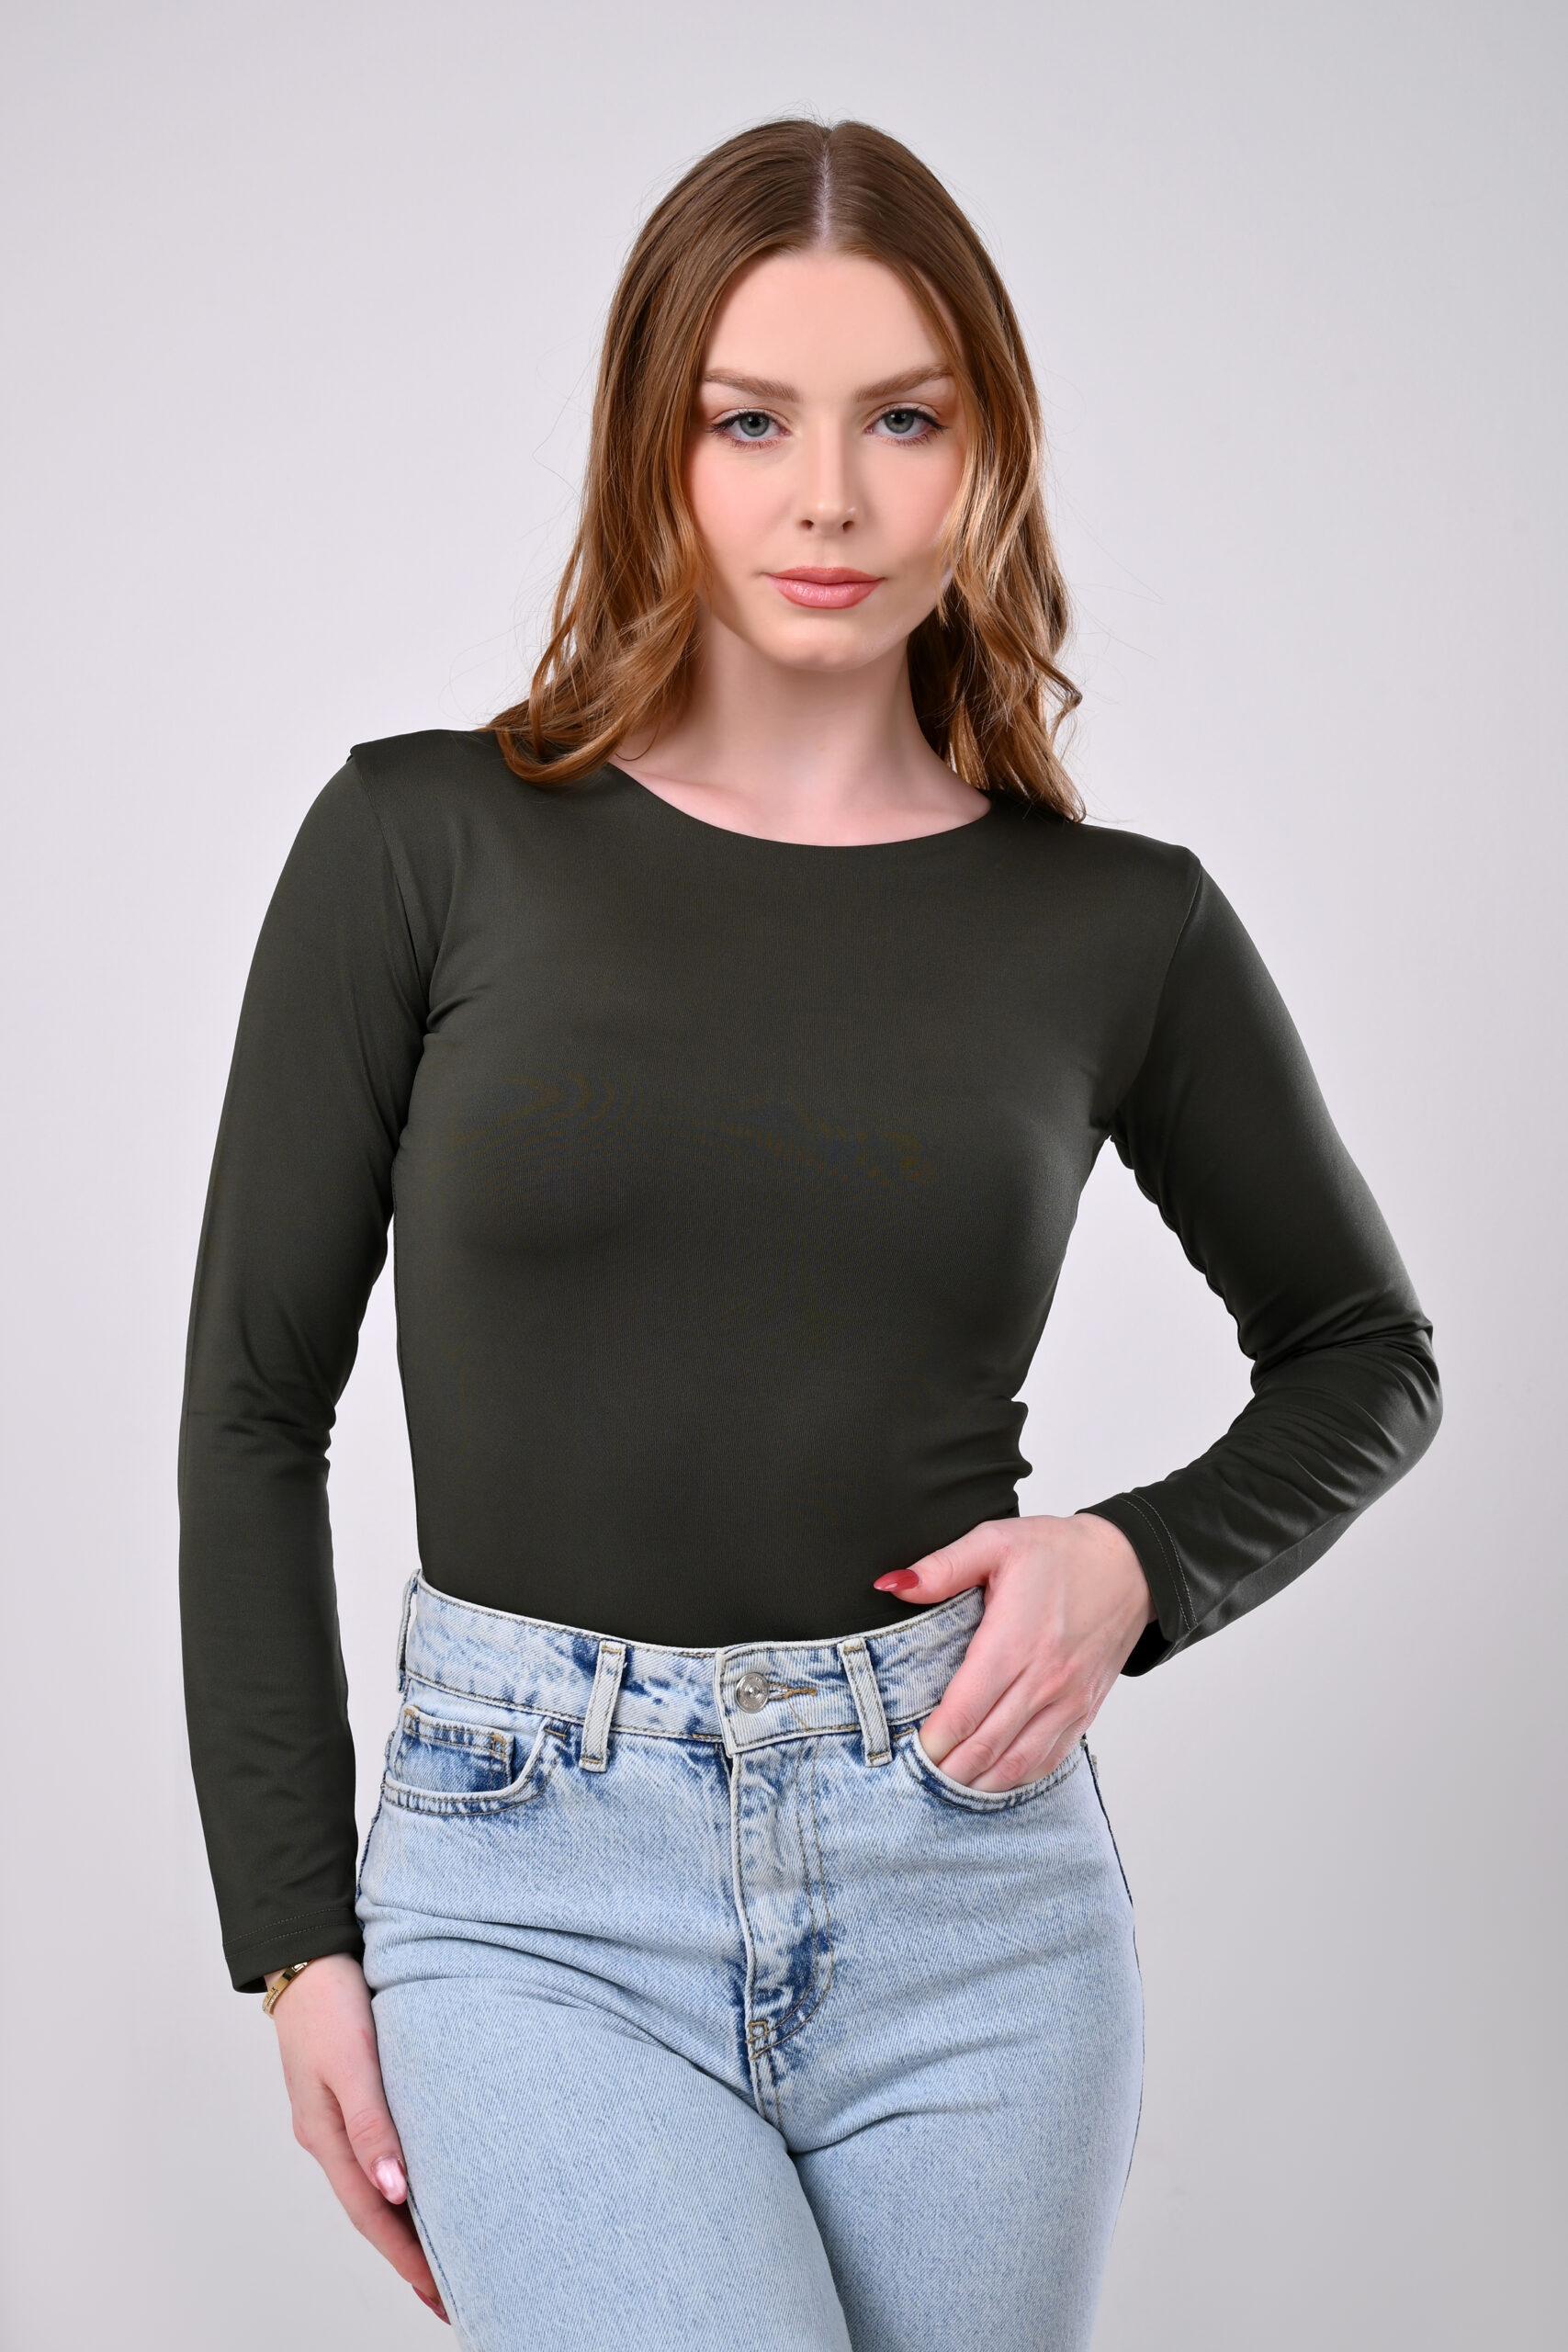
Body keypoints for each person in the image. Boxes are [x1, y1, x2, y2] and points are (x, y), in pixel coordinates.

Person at [178, 118, 1441, 2352]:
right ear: (650, 447)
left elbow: (1363, 1349)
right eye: (749, 420)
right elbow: (254, 1411)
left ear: (987, 453)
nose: (829, 499)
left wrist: (1133, 1561)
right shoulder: (419, 843)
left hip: (968, 1891)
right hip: (530, 1886)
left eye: (901, 420)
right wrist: (294, 1938)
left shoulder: (1114, 925)